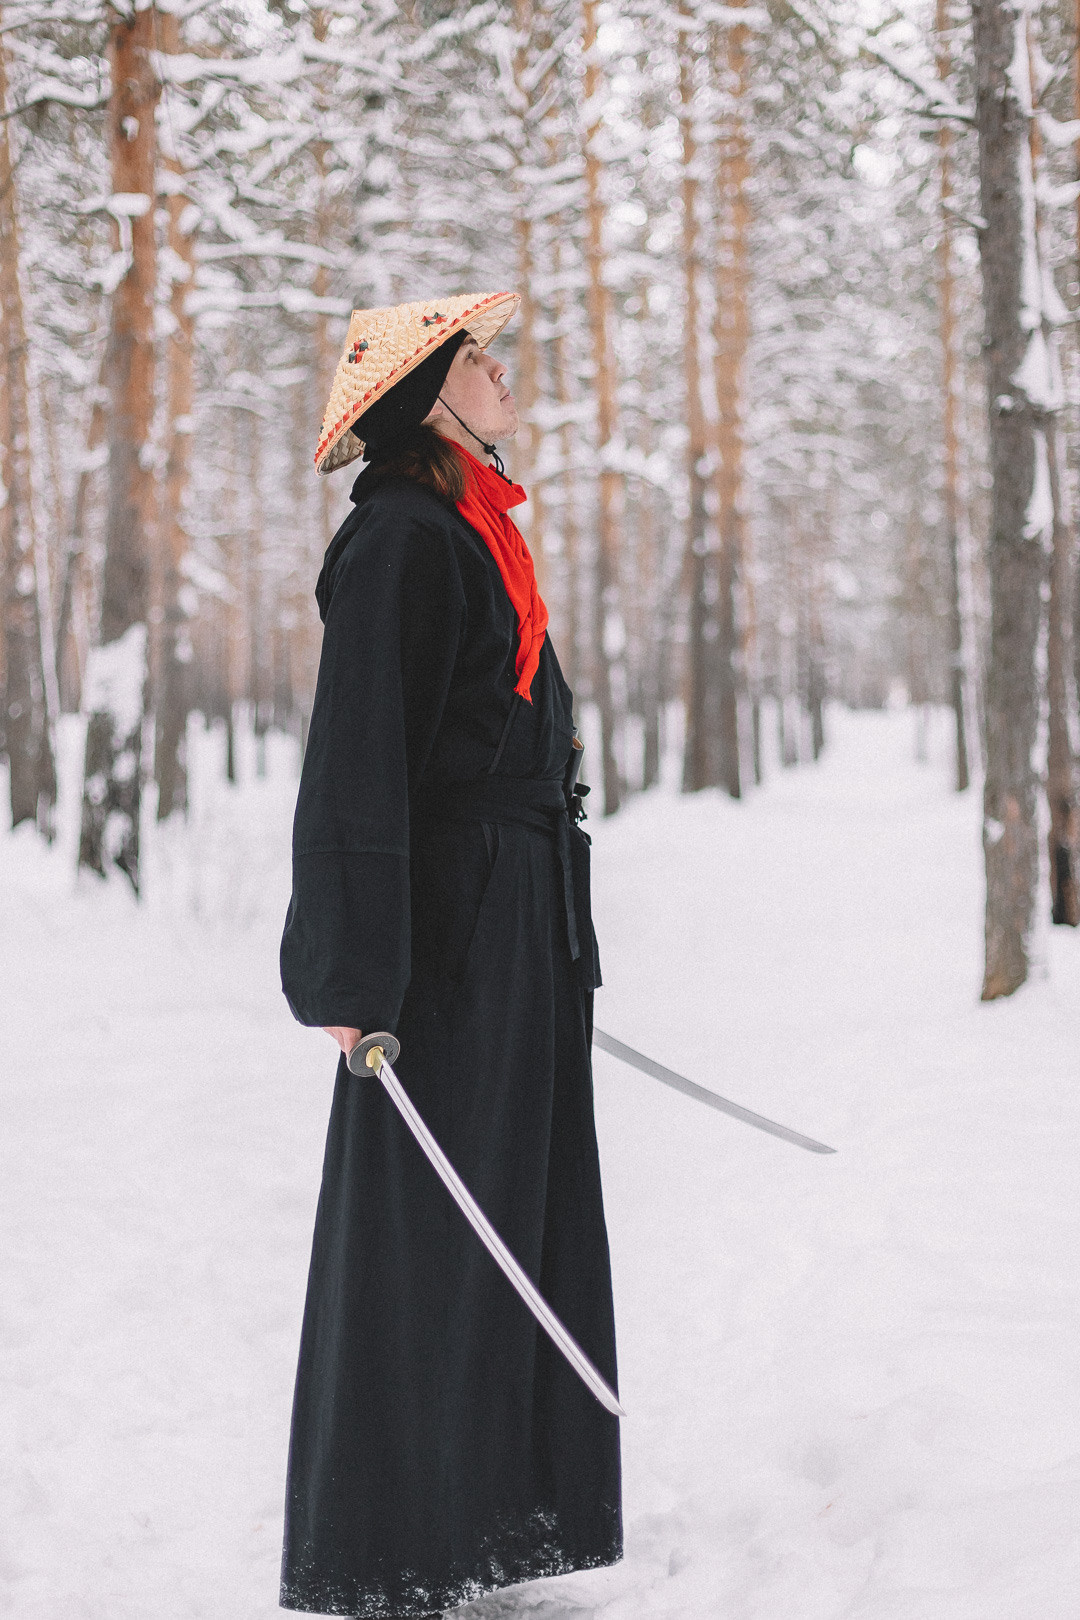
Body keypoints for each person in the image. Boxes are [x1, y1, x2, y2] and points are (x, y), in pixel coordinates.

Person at [278, 292, 622, 1619]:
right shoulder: (399, 545)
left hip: (515, 925)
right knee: (433, 1231)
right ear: (427, 397)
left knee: (516, 1214)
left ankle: (491, 1515)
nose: (505, 377)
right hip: (444, 953)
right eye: (482, 363)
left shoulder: (475, 534)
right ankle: (392, 1545)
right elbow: (355, 770)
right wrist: (355, 985)